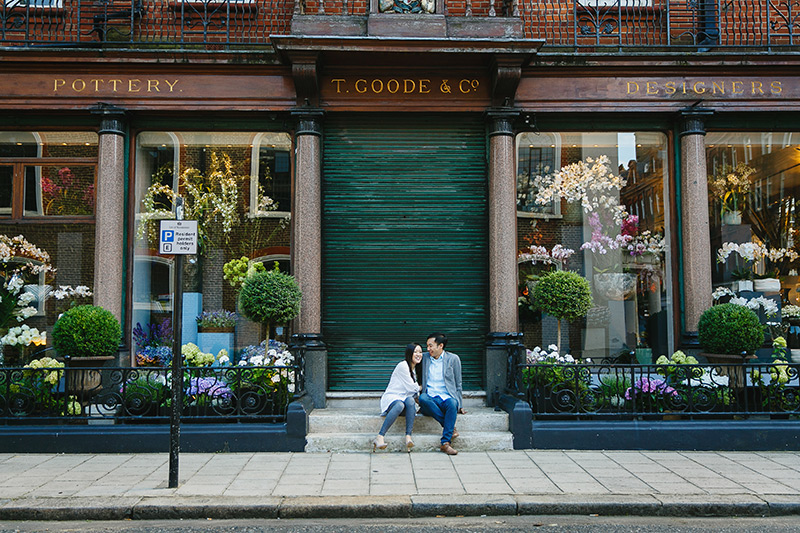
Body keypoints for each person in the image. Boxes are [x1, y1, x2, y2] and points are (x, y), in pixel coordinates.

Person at [418, 332, 463, 455]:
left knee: (453, 403)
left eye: (431, 346)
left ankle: (445, 443)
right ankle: (449, 428)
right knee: (423, 398)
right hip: (430, 399)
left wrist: (461, 405)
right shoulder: (424, 358)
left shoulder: (453, 359)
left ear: (440, 346)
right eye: (427, 346)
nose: (428, 349)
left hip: (446, 397)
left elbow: (458, 383)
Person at [373, 343, 423, 452]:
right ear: (409, 353)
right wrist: (420, 387)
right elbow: (411, 387)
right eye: (416, 352)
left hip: (405, 402)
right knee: (400, 404)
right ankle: (380, 436)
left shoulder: (415, 371)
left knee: (409, 401)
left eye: (420, 352)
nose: (418, 354)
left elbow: (412, 394)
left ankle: (408, 437)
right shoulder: (403, 366)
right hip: (392, 400)